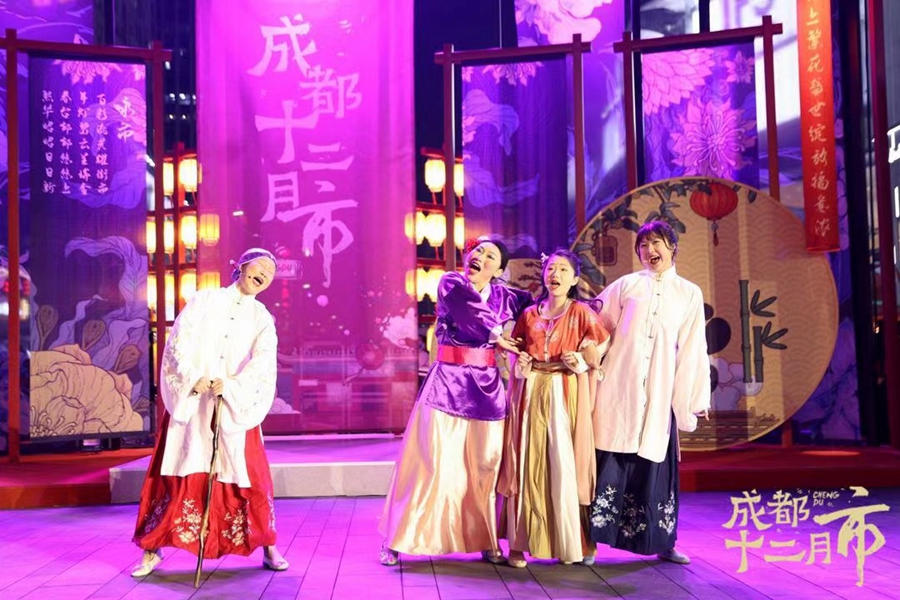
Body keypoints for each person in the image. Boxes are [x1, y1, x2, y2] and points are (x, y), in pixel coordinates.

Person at [131, 248, 289, 576]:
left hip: (234, 407)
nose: (265, 274)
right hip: (194, 404)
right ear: (240, 266)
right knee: (177, 475)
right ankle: (152, 548)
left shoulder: (261, 317)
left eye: (271, 273)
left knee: (249, 477)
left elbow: (264, 362)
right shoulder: (204, 300)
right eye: (260, 266)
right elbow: (178, 343)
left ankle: (268, 545)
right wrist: (193, 377)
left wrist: (232, 386)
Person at [379, 237, 532, 566]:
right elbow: (470, 312)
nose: (480, 256)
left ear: (500, 271)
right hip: (447, 384)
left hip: (488, 388)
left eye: (490, 256)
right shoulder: (452, 283)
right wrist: (499, 337)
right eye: (478, 251)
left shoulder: (507, 297)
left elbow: (539, 309)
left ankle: (485, 537)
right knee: (430, 463)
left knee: (486, 466)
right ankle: (397, 538)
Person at [587, 221, 710, 565]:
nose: (649, 250)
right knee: (609, 463)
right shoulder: (626, 286)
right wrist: (586, 358)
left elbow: (693, 348)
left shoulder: (688, 293)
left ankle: (663, 542)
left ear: (672, 248)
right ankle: (589, 543)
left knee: (655, 469)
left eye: (656, 243)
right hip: (619, 389)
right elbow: (598, 330)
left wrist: (695, 398)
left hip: (659, 393)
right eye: (643, 245)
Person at [498, 249, 609, 568]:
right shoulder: (528, 315)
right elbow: (514, 349)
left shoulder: (582, 313)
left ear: (574, 279)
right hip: (532, 390)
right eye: (550, 268)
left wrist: (582, 360)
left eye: (562, 269)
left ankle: (569, 541)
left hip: (565, 390)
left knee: (563, 462)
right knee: (528, 461)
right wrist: (520, 362)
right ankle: (520, 543)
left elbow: (601, 346)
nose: (555, 274)